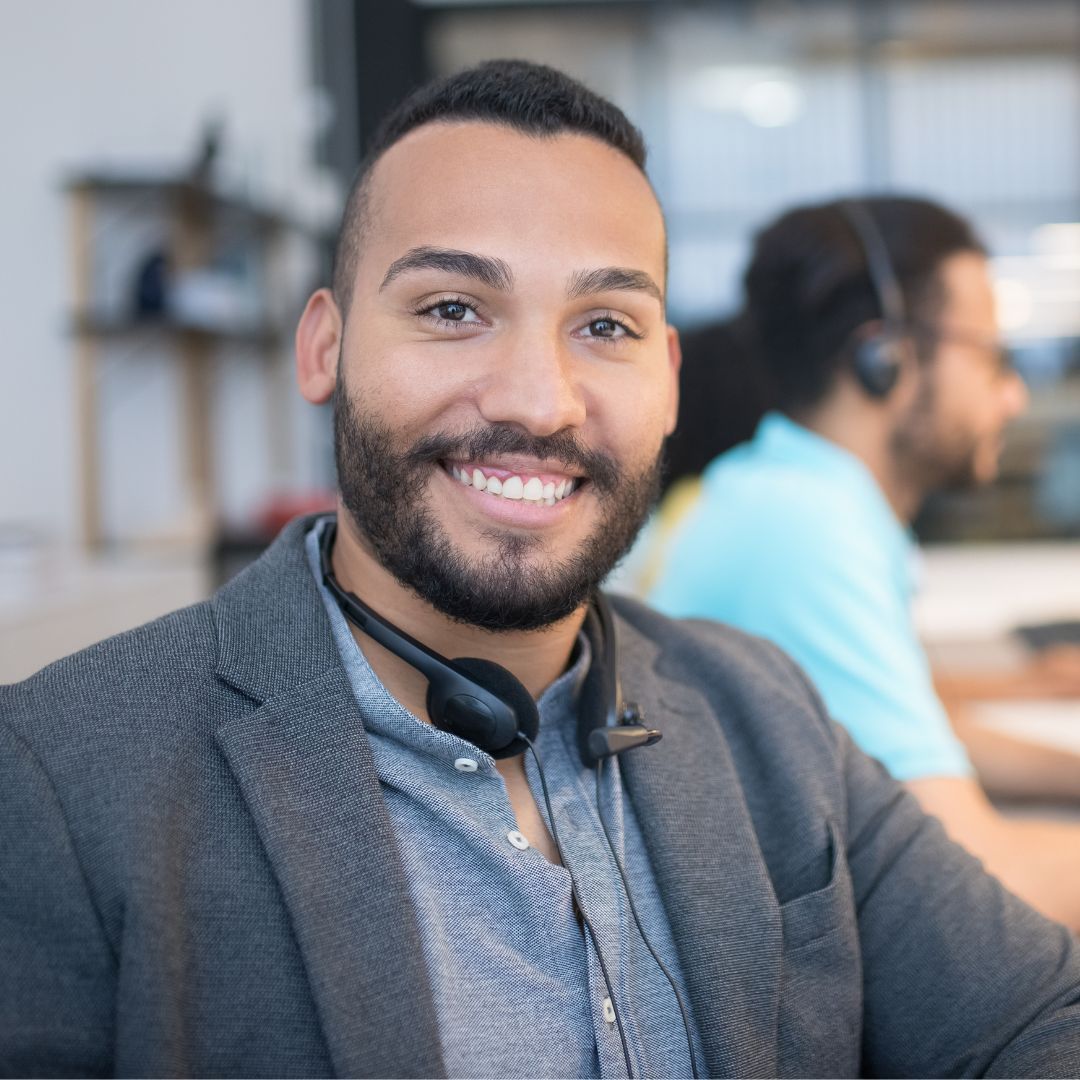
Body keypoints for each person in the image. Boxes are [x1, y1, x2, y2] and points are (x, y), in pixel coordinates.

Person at [3, 64, 1080, 1080]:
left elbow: (1036, 1020)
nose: (537, 399)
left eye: (603, 325)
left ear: (665, 379)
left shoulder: (766, 710)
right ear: (324, 347)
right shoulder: (60, 777)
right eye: (453, 310)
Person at [647, 195, 1080, 930]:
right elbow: (979, 890)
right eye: (992, 356)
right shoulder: (806, 528)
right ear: (886, 358)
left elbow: (900, 732)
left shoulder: (793, 490)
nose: (1013, 395)